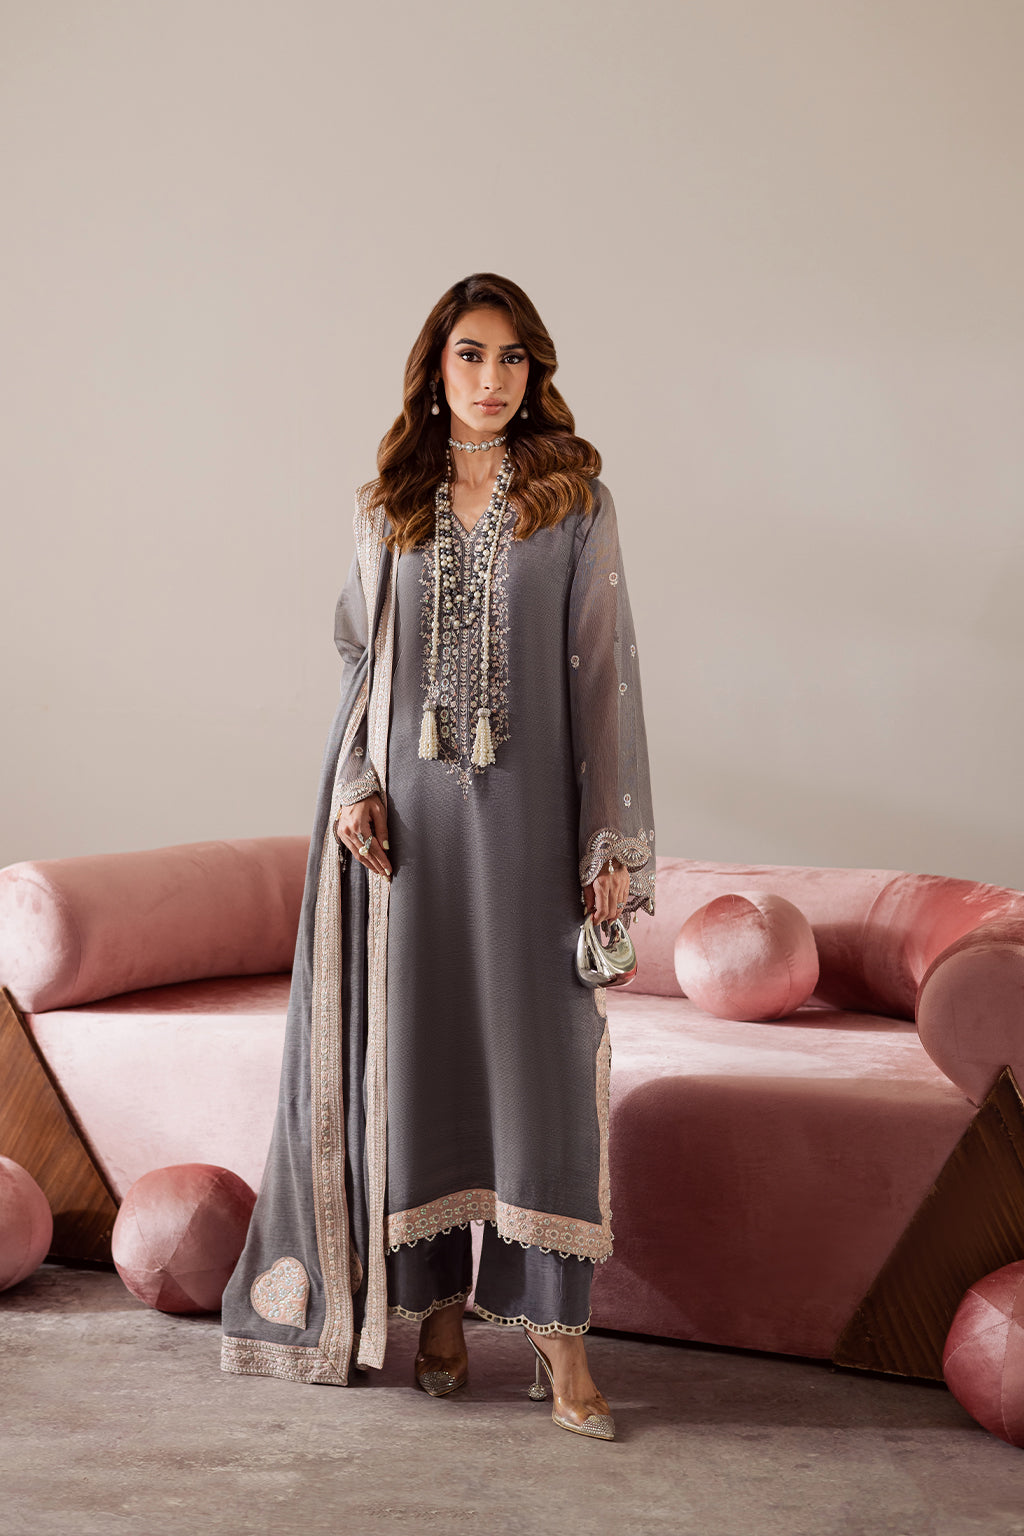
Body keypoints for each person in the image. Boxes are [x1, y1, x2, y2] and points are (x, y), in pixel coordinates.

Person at [220, 272, 656, 1441]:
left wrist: (609, 840)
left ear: (535, 372)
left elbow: (605, 672)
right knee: (421, 1065)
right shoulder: (392, 504)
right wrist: (357, 784)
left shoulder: (574, 500)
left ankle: (559, 1340)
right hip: (411, 840)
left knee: (541, 1069)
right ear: (435, 368)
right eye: (472, 354)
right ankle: (436, 1313)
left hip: (530, 834)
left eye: (512, 359)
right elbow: (360, 657)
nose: (492, 379)